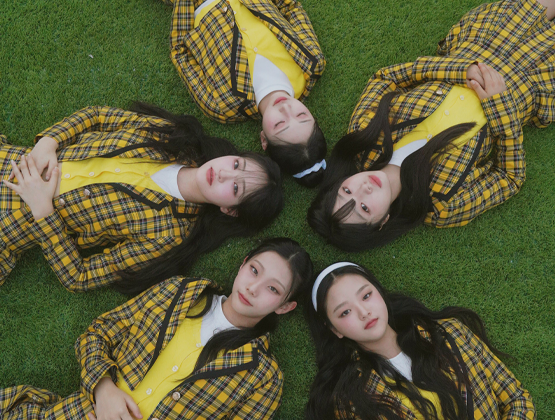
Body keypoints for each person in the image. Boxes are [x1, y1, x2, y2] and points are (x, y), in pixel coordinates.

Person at [308, 0, 555, 251]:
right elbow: (509, 178)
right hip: (533, 81)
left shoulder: (363, 136)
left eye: (346, 191)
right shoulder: (442, 205)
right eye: (364, 208)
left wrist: (461, 70)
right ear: (382, 222)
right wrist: (500, 106)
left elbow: (386, 78)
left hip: (482, 44)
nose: (364, 189)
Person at [0, 237, 313, 420]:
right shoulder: (178, 292)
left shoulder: (263, 378)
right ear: (243, 264)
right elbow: (99, 332)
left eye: (273, 289)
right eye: (254, 270)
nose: (254, 288)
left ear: (284, 306)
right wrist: (103, 388)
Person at [1, 104, 283, 294]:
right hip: (10, 161)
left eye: (235, 188)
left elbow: (79, 276)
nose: (223, 174)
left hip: (9, 223)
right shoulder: (171, 135)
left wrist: (43, 211)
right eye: (236, 165)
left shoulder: (168, 236)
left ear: (230, 210)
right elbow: (98, 116)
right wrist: (48, 142)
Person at [306, 262, 536, 419]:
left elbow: (517, 399)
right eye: (345, 312)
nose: (363, 312)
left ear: (380, 293)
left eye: (366, 295)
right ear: (334, 329)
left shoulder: (450, 332)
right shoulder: (350, 398)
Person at [160, 0, 328, 187]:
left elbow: (180, 52)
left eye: (280, 124)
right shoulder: (310, 64)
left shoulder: (223, 105)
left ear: (264, 139)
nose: (286, 109)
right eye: (302, 115)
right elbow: (291, 7)